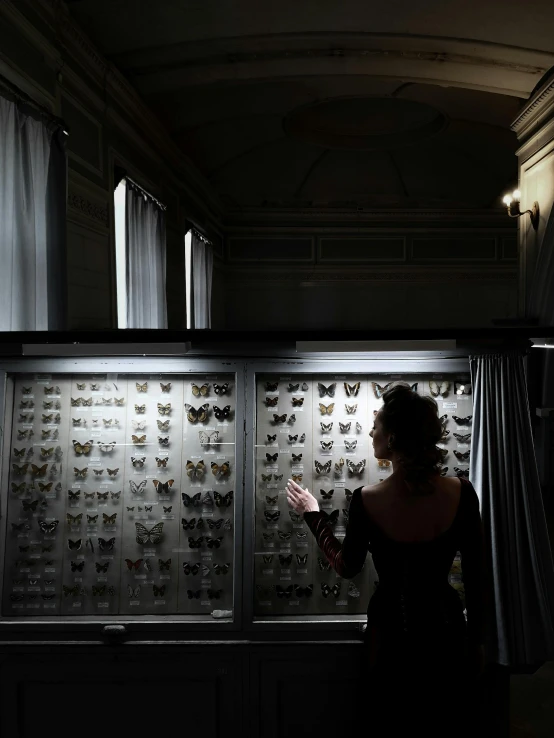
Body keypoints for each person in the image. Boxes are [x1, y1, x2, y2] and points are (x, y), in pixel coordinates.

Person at [286, 382, 487, 737]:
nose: (369, 431)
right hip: (447, 633)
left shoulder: (367, 499)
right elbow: (479, 577)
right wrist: (479, 646)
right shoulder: (462, 492)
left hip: (390, 637)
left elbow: (347, 566)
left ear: (392, 437)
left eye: (375, 425)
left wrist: (313, 514)